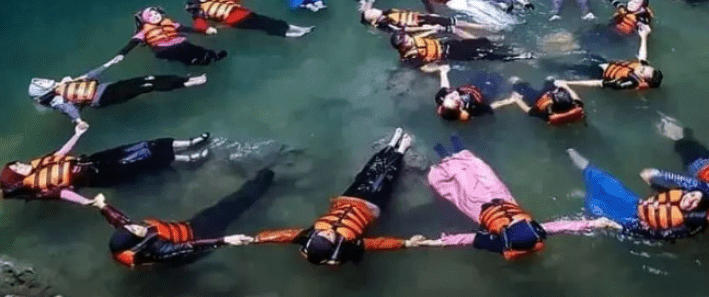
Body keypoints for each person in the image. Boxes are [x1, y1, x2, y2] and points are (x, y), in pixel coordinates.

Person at [415, 138, 612, 259]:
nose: (520, 218)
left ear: (507, 230)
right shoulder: (535, 232)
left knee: (461, 181)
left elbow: (463, 240)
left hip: (478, 206)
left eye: (518, 221)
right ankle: (460, 149)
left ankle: (443, 154)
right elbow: (562, 226)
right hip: (503, 198)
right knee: (482, 170)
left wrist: (432, 243)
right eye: (522, 220)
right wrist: (596, 223)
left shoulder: (496, 243)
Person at [252, 129, 421, 265]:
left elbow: (284, 236)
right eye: (328, 237)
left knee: (368, 171)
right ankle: (400, 151)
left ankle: (390, 145)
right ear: (333, 245)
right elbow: (377, 244)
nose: (327, 232)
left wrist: (257, 239)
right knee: (385, 176)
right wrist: (406, 243)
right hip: (370, 205)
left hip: (347, 199)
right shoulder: (348, 245)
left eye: (322, 234)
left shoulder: (308, 235)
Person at [99, 169, 273, 267]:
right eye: (136, 231)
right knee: (233, 208)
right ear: (138, 244)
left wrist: (102, 205)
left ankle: (261, 182)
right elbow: (190, 246)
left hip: (192, 226)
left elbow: (119, 220)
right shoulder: (158, 249)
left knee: (228, 206)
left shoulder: (130, 237)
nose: (137, 226)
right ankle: (268, 178)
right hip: (199, 238)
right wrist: (226, 240)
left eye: (133, 227)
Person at [1, 124, 209, 202]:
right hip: (101, 175)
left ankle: (189, 143)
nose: (21, 164)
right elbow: (65, 194)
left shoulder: (41, 164)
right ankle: (188, 159)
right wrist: (87, 202)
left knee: (144, 145)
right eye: (17, 168)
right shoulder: (40, 187)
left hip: (95, 159)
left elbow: (62, 152)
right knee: (144, 160)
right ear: (20, 177)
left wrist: (78, 133)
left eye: (17, 163)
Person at [567, 148, 709, 241]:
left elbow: (654, 235)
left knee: (594, 208)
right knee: (606, 181)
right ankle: (574, 157)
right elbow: (668, 195)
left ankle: (582, 198)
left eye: (695, 201)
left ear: (697, 209)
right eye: (691, 195)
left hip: (632, 223)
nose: (690, 199)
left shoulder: (686, 225)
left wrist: (619, 228)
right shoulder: (682, 196)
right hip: (635, 204)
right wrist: (651, 184)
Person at [28, 58, 207, 125]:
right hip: (104, 97)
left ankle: (185, 79)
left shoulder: (64, 83)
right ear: (43, 89)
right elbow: (70, 110)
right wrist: (79, 121)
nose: (46, 80)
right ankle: (187, 84)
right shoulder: (57, 101)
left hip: (107, 87)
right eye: (43, 82)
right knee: (146, 86)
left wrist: (108, 64)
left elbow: (88, 75)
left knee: (148, 79)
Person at [555, 25, 662, 91]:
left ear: (642, 79)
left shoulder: (625, 82)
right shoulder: (642, 67)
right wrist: (644, 36)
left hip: (596, 73)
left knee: (565, 67)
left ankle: (547, 65)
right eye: (645, 67)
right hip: (604, 63)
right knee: (582, 48)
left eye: (642, 70)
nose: (641, 66)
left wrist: (566, 83)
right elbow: (642, 57)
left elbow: (597, 83)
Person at [117, 7, 226, 66]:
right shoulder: (144, 31)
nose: (155, 16)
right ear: (146, 20)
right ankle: (194, 61)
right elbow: (132, 43)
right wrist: (122, 54)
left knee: (190, 47)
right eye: (151, 16)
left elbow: (188, 29)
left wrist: (205, 30)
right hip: (163, 49)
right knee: (178, 51)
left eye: (156, 14)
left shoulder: (170, 23)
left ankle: (211, 54)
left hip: (179, 42)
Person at [186, 0, 312, 38]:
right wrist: (207, 30)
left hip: (246, 13)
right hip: (237, 21)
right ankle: (290, 35)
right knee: (264, 26)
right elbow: (199, 23)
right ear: (196, 0)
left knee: (270, 21)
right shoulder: (200, 11)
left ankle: (297, 28)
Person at [390, 30, 532, 68]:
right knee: (483, 54)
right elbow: (424, 68)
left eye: (405, 36)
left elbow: (422, 38)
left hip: (448, 44)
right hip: (449, 53)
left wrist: (433, 30)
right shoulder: (411, 57)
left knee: (482, 42)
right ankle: (518, 57)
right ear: (402, 46)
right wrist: (440, 69)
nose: (408, 37)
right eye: (404, 39)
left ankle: (509, 48)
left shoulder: (412, 40)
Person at [429, 65, 520, 121]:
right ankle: (510, 81)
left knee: (482, 73)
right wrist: (510, 100)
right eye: (454, 99)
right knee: (495, 77)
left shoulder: (441, 97)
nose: (453, 94)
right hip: (484, 94)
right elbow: (491, 107)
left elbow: (445, 88)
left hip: (471, 86)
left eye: (449, 97)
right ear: (459, 106)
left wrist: (443, 72)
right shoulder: (473, 108)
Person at [359, 4, 487, 38]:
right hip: (423, 26)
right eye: (370, 13)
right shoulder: (385, 24)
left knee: (457, 22)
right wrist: (428, 28)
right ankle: (480, 40)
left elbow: (407, 13)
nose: (373, 10)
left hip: (425, 18)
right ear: (372, 21)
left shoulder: (388, 12)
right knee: (455, 30)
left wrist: (428, 15)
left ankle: (486, 27)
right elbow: (404, 30)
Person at [506, 78, 586, 125]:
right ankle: (549, 82)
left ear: (552, 102)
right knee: (552, 85)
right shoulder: (576, 105)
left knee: (526, 91)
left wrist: (516, 99)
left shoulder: (545, 113)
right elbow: (575, 96)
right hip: (566, 118)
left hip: (537, 98)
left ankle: (519, 85)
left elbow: (527, 110)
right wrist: (565, 86)